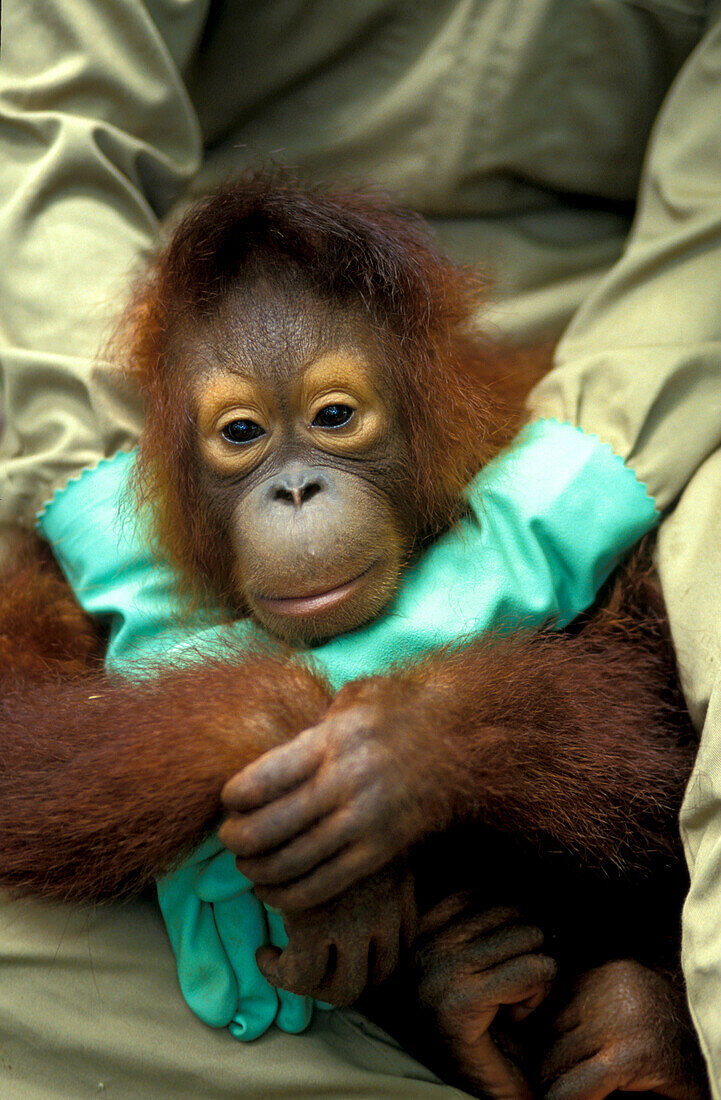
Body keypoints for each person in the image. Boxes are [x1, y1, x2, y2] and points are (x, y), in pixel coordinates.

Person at [1, 2, 720, 1096]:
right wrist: (246, 752)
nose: (297, 490)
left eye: (335, 423)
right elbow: (38, 114)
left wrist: (446, 732)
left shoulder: (518, 474)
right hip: (114, 341)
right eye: (248, 439)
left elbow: (639, 764)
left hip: (612, 339)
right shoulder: (135, 487)